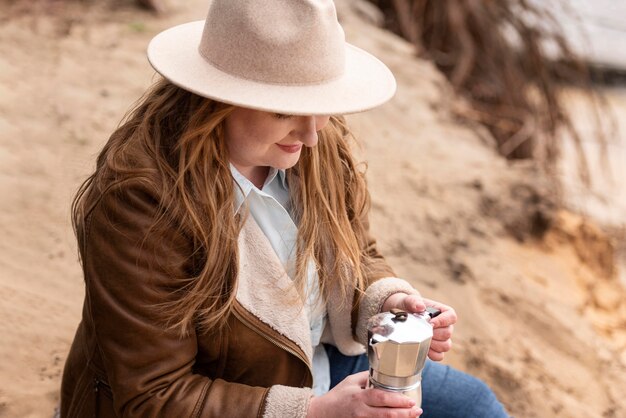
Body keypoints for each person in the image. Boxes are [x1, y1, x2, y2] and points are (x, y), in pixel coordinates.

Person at [60, 0, 509, 417]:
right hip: (236, 398)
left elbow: (357, 251)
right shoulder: (138, 201)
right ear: (217, 99)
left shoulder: (312, 146)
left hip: (319, 361)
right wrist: (314, 411)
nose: (313, 134)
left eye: (321, 107)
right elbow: (153, 396)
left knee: (477, 405)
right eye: (285, 111)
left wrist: (387, 303)